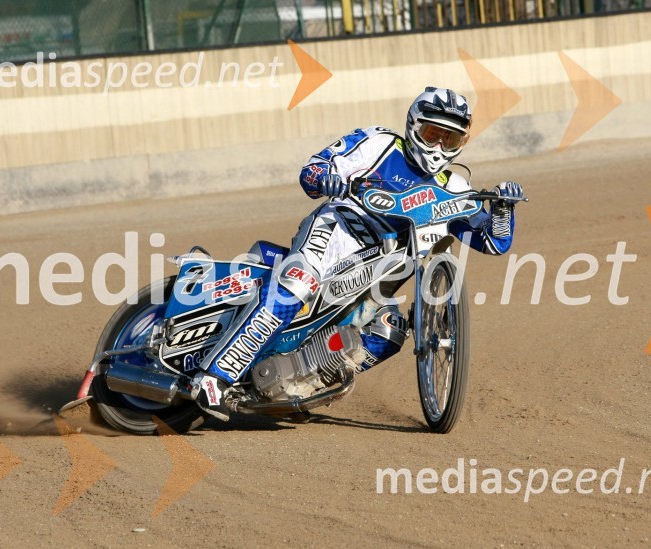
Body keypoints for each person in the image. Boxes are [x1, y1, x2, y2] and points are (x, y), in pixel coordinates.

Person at [195, 86, 524, 417]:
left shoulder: (454, 188)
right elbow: (313, 170)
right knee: (297, 283)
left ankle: (298, 382)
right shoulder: (378, 143)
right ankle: (213, 376)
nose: (439, 146)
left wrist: (502, 211)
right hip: (338, 231)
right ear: (414, 125)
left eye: (449, 140)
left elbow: (493, 243)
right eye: (432, 134)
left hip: (375, 277)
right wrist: (327, 177)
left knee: (390, 330)